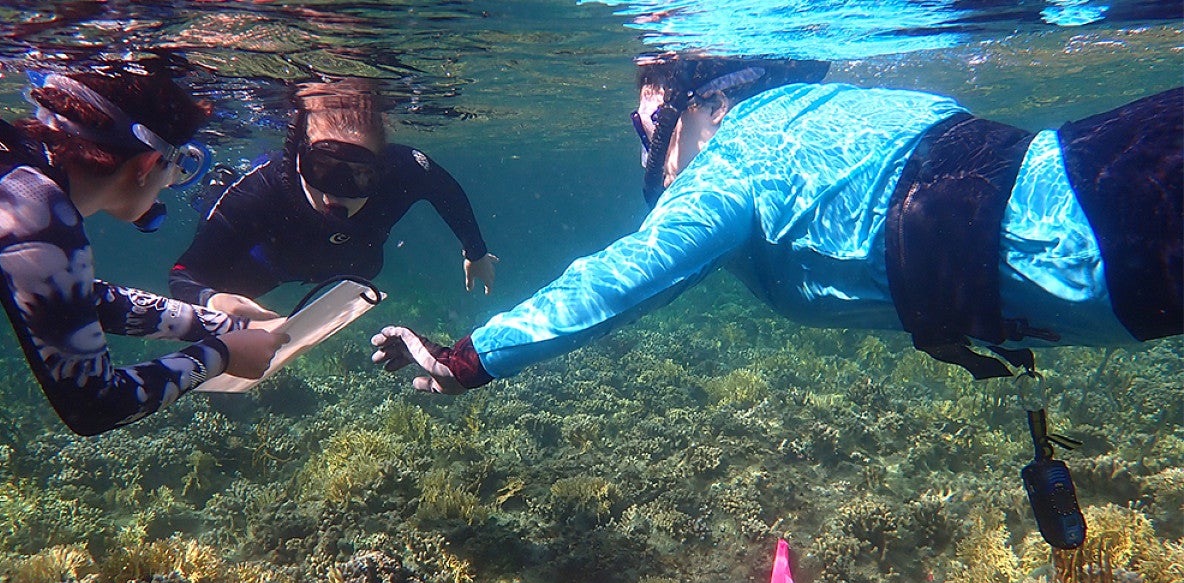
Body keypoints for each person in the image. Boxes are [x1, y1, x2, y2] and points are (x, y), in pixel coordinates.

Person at [369, 53, 1181, 395]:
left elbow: (622, 277)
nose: (647, 154)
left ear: (702, 101)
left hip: (1113, 228)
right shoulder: (810, 111)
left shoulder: (741, 156)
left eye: (645, 128)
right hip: (1113, 182)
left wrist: (467, 357)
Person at [0, 63, 288, 436]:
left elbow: (68, 297)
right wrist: (222, 355)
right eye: (177, 168)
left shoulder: (12, 169)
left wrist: (226, 323)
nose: (168, 186)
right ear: (147, 164)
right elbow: (95, 405)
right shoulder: (36, 206)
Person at [167, 78, 499, 320]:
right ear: (298, 160)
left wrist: (476, 250)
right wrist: (215, 301)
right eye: (322, 168)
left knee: (370, 265)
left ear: (381, 171)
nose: (335, 192)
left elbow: (447, 192)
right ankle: (217, 186)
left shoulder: (405, 169)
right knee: (229, 288)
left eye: (359, 175)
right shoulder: (262, 190)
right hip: (270, 265)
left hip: (349, 261)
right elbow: (184, 274)